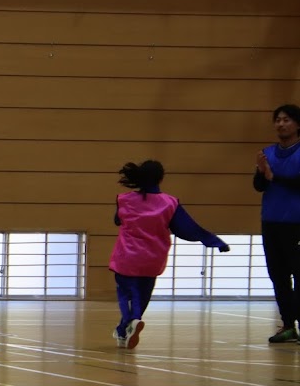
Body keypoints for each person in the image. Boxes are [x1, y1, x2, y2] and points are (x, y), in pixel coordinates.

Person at [109, 160, 229, 349]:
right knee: (143, 294)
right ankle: (125, 328)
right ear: (161, 178)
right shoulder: (170, 203)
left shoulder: (124, 199)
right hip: (153, 258)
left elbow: (117, 220)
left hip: (128, 256)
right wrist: (213, 240)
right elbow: (187, 229)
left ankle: (131, 321)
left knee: (127, 294)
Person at [254, 104, 300, 343]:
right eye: (278, 120)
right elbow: (259, 186)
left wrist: (275, 177)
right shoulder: (267, 153)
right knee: (278, 277)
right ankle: (288, 325)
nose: (281, 124)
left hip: (296, 223)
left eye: (286, 120)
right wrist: (262, 173)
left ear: (297, 124)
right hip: (271, 222)